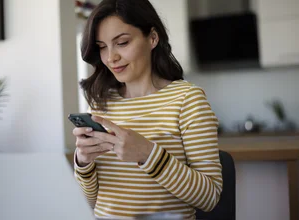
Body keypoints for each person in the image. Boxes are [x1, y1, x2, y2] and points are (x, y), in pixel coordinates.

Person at [72, 0, 222, 219]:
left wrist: (148, 154)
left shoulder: (187, 99)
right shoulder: (100, 103)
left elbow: (210, 198)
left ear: (152, 38)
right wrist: (83, 162)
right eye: (102, 47)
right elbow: (88, 203)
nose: (110, 57)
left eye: (122, 42)